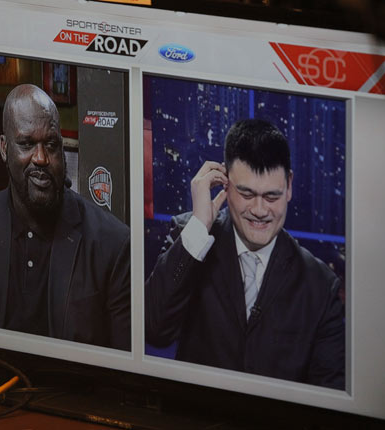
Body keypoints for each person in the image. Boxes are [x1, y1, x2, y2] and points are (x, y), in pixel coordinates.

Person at [145, 119, 345, 389]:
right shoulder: (189, 237)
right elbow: (154, 330)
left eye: (271, 196)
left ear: (289, 186)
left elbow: (328, 394)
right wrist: (199, 226)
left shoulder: (320, 285)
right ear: (224, 183)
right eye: (247, 194)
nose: (260, 210)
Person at [0, 84, 130, 351]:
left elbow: (120, 365)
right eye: (27, 144)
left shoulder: (112, 242)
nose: (41, 158)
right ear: (4, 148)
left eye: (51, 145)